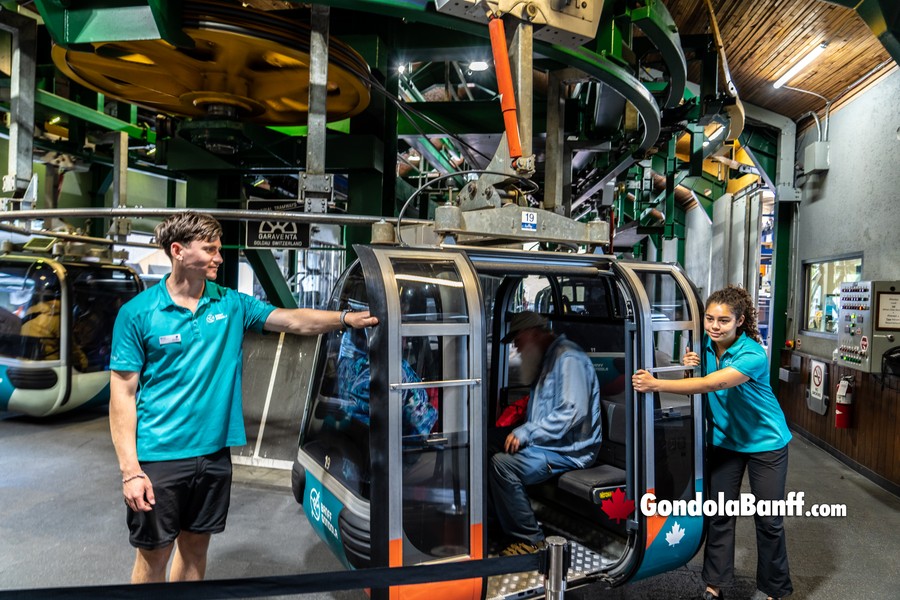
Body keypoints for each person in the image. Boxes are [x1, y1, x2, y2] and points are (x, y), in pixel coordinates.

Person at [109, 211, 378, 584]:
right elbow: (121, 395)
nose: (219, 257)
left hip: (214, 455)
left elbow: (292, 320)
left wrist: (345, 319)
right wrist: (130, 471)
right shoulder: (137, 314)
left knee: (195, 550)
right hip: (159, 458)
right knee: (154, 555)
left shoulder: (230, 304)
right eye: (210, 249)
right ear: (178, 251)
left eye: (219, 249)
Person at [632, 285, 792, 600]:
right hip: (724, 441)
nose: (714, 326)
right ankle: (715, 584)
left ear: (740, 321)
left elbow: (710, 383)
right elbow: (699, 375)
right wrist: (691, 361)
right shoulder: (705, 345)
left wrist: (654, 384)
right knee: (719, 512)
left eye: (723, 321)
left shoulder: (752, 354)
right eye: (709, 319)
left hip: (766, 443)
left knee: (768, 518)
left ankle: (773, 588)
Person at [489, 311, 602, 555]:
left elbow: (573, 411)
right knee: (486, 442)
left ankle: (531, 540)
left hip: (569, 451)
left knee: (502, 465)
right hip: (548, 442)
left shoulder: (568, 358)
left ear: (534, 334)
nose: (516, 347)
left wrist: (527, 431)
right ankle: (495, 521)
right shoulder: (547, 358)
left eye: (518, 340)